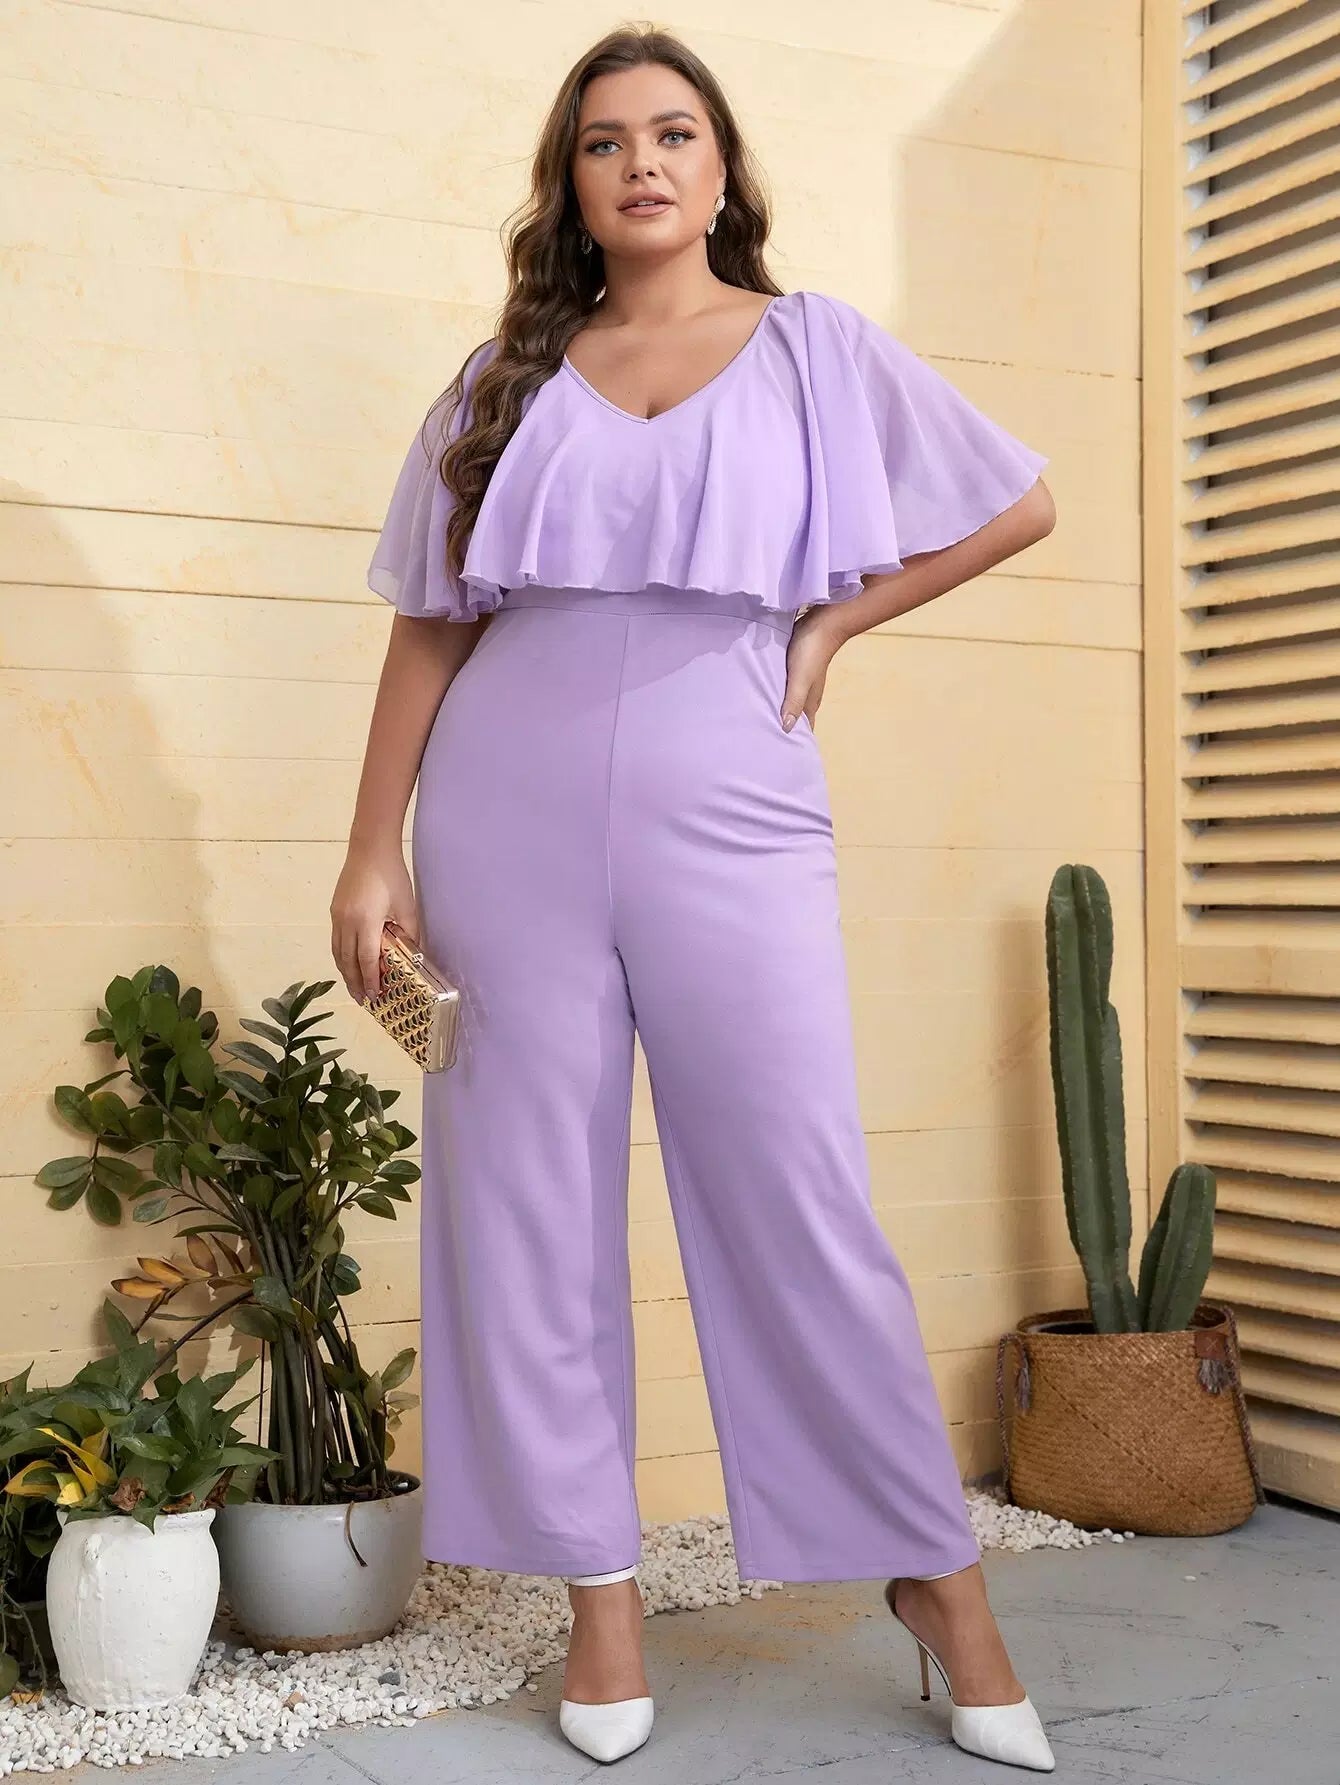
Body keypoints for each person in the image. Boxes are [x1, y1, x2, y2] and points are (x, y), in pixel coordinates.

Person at [331, 24, 1057, 1774]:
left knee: (794, 1180)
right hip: (502, 794)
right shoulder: (505, 374)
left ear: (723, 168)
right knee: (525, 1194)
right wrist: (372, 847)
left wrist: (836, 619)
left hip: (730, 779)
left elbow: (1018, 501)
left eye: (672, 133)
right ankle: (601, 1596)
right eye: (605, 142)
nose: (641, 163)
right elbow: (431, 618)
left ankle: (937, 1578)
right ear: (572, 182)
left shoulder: (815, 349)